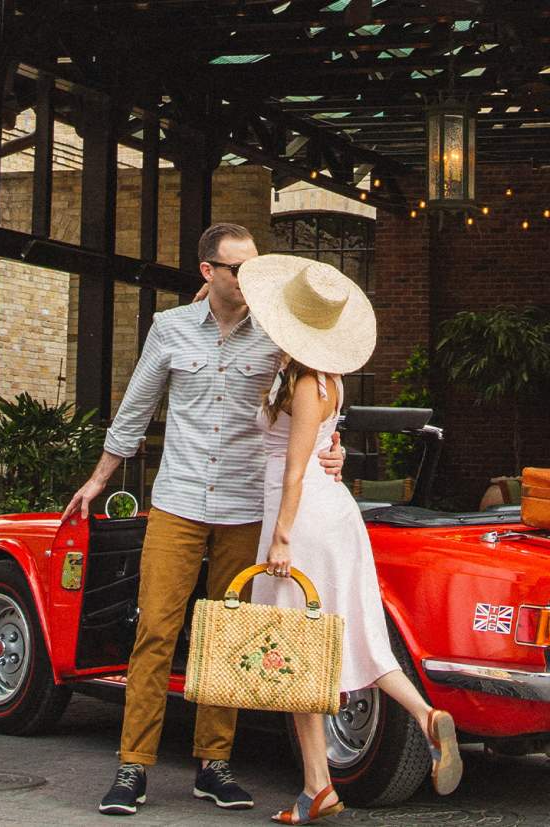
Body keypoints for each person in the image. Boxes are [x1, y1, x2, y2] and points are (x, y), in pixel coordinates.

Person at [61, 224, 345, 816]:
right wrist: (97, 480)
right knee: (156, 632)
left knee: (228, 639)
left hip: (247, 508)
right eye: (235, 269)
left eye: (252, 268)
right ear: (206, 271)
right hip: (179, 503)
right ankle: (132, 768)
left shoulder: (274, 338)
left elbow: (313, 398)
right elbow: (134, 410)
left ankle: (213, 766)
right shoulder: (168, 330)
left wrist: (330, 451)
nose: (246, 279)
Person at [237, 254, 464, 825]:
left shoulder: (306, 383)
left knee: (293, 652)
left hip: (302, 516)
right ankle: (417, 720)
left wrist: (281, 538)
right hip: (328, 512)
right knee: (349, 636)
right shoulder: (320, 378)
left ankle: (319, 785)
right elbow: (314, 454)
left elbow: (293, 469)